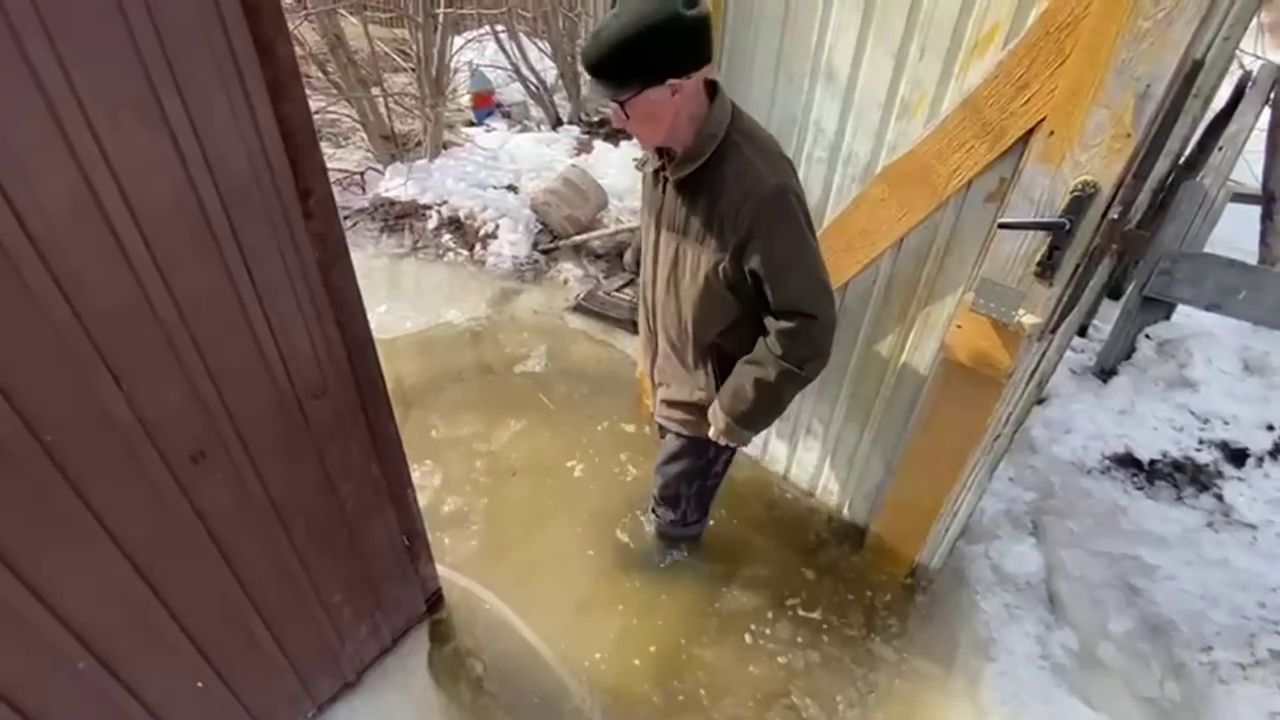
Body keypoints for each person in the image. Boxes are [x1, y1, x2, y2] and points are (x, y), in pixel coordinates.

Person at [582, 0, 837, 546]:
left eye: (622, 105)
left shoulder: (760, 189)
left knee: (672, 529)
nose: (614, 120)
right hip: (666, 369)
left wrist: (735, 410)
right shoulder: (664, 147)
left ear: (676, 89)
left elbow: (807, 324)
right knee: (666, 495)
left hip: (705, 409)